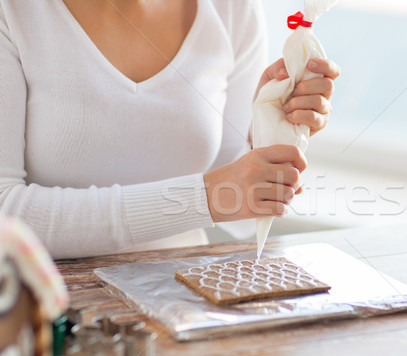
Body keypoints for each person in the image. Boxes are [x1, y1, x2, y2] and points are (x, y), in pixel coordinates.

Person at [0, 0, 340, 259]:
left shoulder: (232, 9)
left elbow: (237, 215)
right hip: (40, 317)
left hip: (184, 302)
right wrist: (204, 198)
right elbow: (5, 214)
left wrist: (273, 130)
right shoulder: (14, 12)